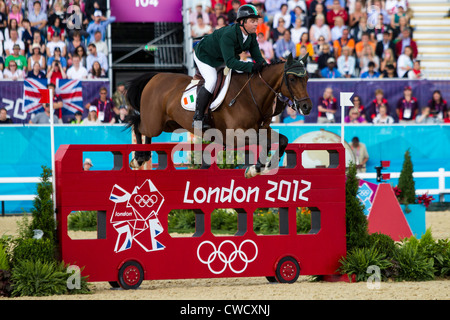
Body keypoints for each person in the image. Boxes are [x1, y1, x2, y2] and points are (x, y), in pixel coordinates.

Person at [192, 4, 265, 129]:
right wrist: (251, 67)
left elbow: (258, 59)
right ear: (242, 22)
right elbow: (231, 63)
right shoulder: (229, 34)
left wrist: (267, 67)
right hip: (205, 56)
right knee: (211, 81)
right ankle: (198, 117)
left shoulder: (252, 36)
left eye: (256, 21)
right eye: (252, 21)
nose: (256, 24)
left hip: (222, 57)